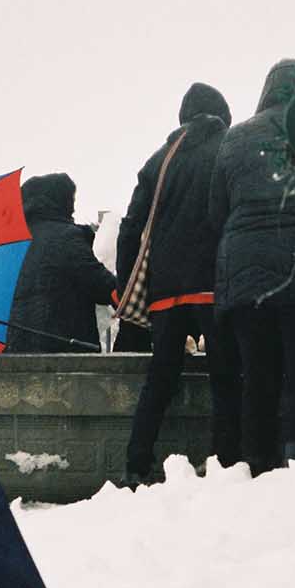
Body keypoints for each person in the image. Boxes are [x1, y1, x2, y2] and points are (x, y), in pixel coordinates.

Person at [209, 57, 295, 474]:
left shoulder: (235, 137)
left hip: (247, 273)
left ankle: (258, 462)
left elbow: (217, 210)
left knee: (258, 376)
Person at [115, 82, 239, 484]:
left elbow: (130, 228)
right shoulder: (227, 148)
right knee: (225, 374)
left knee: (160, 376)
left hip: (165, 289)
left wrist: (125, 283)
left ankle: (136, 463)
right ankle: (225, 462)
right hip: (212, 282)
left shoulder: (158, 161)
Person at [4, 172, 115, 354]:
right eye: (71, 200)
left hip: (17, 348)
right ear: (59, 201)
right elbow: (102, 286)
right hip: (63, 350)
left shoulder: (15, 242)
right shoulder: (67, 237)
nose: (72, 208)